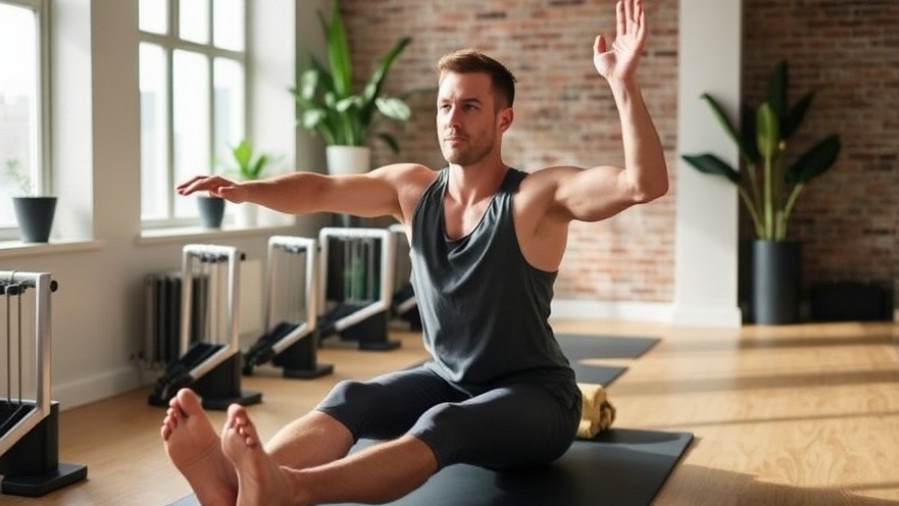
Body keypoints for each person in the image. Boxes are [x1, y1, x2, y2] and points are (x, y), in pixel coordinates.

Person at [163, 0, 666, 504]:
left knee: (445, 422)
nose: (453, 119)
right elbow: (320, 191)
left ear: (503, 119)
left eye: (470, 106)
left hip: (536, 398)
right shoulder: (412, 190)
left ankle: (289, 489)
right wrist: (247, 190)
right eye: (446, 106)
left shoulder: (535, 198)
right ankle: (234, 487)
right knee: (350, 397)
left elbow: (642, 185)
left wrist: (623, 82)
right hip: (447, 379)